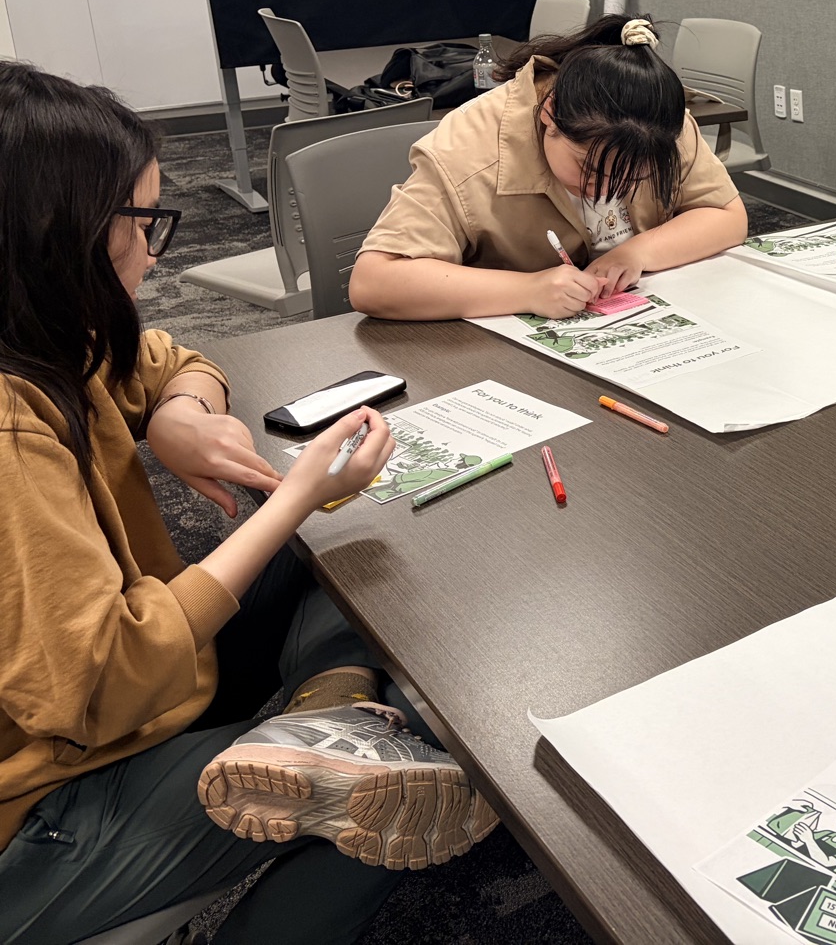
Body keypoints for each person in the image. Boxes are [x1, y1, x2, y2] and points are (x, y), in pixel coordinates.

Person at [0, 62, 496, 945]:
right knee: (411, 782)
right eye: (144, 224)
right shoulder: (11, 431)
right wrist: (295, 496)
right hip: (48, 798)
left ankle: (322, 723)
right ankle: (332, 749)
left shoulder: (46, 326)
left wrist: (180, 417)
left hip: (125, 682)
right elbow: (102, 683)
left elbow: (168, 360)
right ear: (58, 234)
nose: (158, 251)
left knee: (358, 563)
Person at [350, 14, 749, 321]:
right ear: (551, 116)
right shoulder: (470, 149)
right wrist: (528, 290)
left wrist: (635, 253)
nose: (603, 193)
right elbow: (373, 281)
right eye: (590, 170)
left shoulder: (656, 124)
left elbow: (726, 215)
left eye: (630, 178)